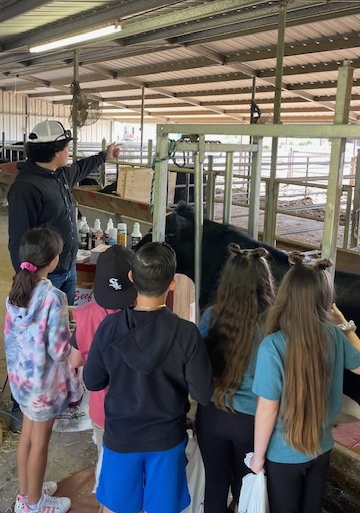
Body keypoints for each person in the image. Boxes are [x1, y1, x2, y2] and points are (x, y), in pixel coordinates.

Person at [83, 241, 213, 513]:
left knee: (116, 509)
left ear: (131, 278)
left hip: (120, 437)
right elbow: (202, 393)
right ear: (173, 283)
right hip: (166, 440)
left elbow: (93, 381)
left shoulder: (110, 327)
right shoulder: (186, 334)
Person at [250, 254, 360, 513]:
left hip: (282, 455)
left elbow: (267, 410)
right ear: (325, 298)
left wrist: (257, 457)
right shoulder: (334, 335)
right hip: (321, 449)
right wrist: (344, 324)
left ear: (286, 294)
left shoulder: (273, 346)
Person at [4, 227, 82, 513]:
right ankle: (36, 504)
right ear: (52, 261)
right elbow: (60, 351)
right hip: (44, 386)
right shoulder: (53, 297)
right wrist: (78, 337)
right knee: (40, 442)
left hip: (22, 382)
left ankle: (26, 493)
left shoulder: (16, 291)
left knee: (27, 435)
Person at [195, 244, 275, 513]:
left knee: (215, 486)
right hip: (253, 423)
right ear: (264, 282)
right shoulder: (273, 325)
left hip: (213, 414)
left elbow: (198, 367)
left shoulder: (210, 317)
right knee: (248, 490)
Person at [7, 119, 121, 305]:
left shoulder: (59, 175)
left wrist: (105, 155)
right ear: (56, 151)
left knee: (65, 324)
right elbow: (18, 239)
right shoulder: (26, 187)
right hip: (45, 277)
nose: (69, 151)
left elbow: (82, 167)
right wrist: (27, 281)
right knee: (45, 329)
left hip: (68, 268)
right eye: (67, 146)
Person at [68, 244, 137, 488]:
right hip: (137, 411)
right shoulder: (141, 315)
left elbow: (74, 361)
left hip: (102, 411)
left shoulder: (85, 314)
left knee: (107, 462)